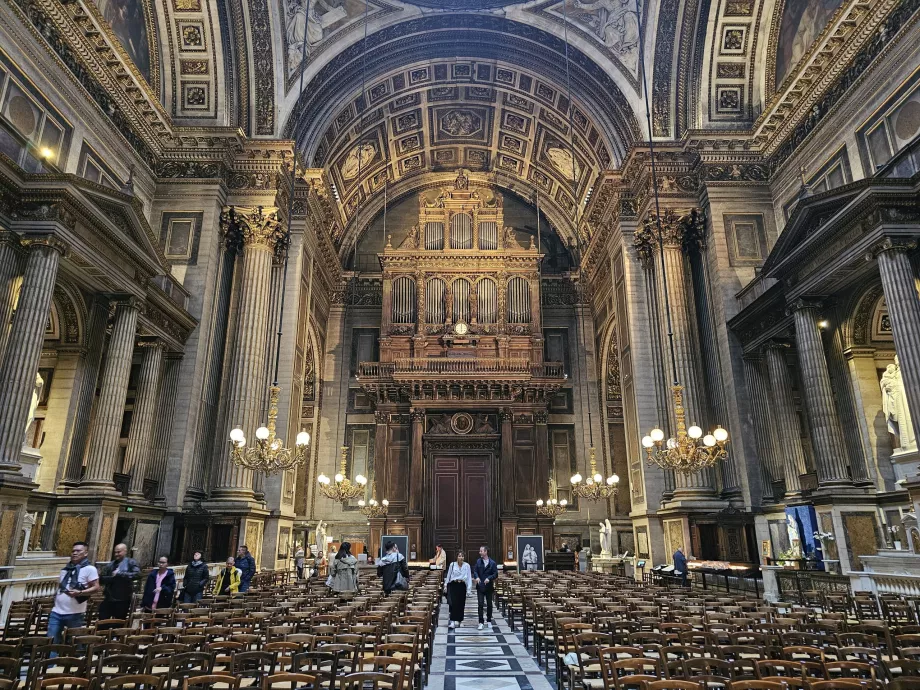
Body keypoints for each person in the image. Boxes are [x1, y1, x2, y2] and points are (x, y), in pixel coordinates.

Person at [48, 542, 100, 644]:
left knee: (73, 642)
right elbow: (61, 588)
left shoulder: (90, 569)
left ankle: (70, 659)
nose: (74, 553)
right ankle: (52, 659)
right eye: (73, 551)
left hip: (75, 613)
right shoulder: (65, 569)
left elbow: (96, 587)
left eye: (78, 551)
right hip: (57, 612)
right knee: (51, 641)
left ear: (85, 553)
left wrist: (80, 592)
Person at [98, 543, 140, 621]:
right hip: (109, 598)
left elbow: (137, 575)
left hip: (122, 600)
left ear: (125, 551)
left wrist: (120, 574)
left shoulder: (131, 562)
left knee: (118, 622)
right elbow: (102, 579)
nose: (116, 554)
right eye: (115, 552)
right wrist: (111, 578)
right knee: (102, 620)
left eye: (119, 552)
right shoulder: (111, 564)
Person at [443, 550, 472, 629]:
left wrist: (469, 589)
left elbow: (469, 577)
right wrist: (445, 585)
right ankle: (452, 621)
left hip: (462, 585)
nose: (461, 558)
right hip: (453, 585)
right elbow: (448, 576)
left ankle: (460, 620)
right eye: (459, 556)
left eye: (462, 556)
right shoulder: (452, 565)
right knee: (453, 603)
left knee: (461, 603)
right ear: (456, 557)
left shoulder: (467, 566)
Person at [472, 545, 498, 630]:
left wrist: (489, 578)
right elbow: (475, 571)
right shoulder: (478, 561)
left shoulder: (492, 563)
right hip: (480, 586)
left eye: (481, 551)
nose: (480, 552)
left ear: (486, 552)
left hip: (489, 587)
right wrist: (477, 577)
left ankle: (489, 620)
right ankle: (481, 622)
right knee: (480, 604)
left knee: (489, 604)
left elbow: (495, 574)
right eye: (480, 551)